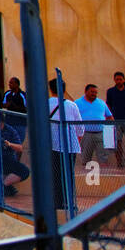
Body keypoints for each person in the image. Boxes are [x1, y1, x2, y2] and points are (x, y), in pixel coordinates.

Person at [48, 79, 85, 211]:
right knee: (68, 174)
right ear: (64, 89)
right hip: (70, 145)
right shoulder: (71, 105)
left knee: (56, 173)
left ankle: (57, 202)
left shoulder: (46, 104)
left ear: (51, 89)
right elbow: (80, 127)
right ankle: (69, 201)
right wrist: (76, 141)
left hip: (52, 145)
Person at [75, 84, 112, 167]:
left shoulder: (101, 103)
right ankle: (86, 177)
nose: (94, 94)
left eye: (95, 92)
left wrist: (109, 131)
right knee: (86, 160)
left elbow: (109, 116)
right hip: (86, 134)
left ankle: (103, 177)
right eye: (92, 92)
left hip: (100, 134)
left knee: (103, 159)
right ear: (86, 92)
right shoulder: (77, 103)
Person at [1, 77, 28, 143]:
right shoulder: (7, 94)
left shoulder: (22, 95)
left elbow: (26, 108)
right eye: (9, 83)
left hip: (20, 123)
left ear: (17, 84)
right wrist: (6, 105)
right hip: (9, 122)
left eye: (11, 83)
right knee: (9, 143)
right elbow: (2, 104)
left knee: (18, 143)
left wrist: (14, 106)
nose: (9, 84)